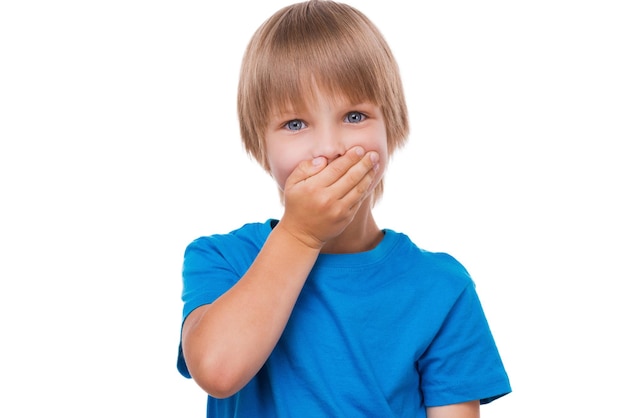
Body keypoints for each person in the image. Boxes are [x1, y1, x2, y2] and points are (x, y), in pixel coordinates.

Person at [177, 0, 511, 416]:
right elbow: (217, 370)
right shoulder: (222, 259)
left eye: (355, 115)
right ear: (259, 147)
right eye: (295, 124)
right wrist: (301, 233)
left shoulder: (442, 287)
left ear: (394, 127)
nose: (330, 148)